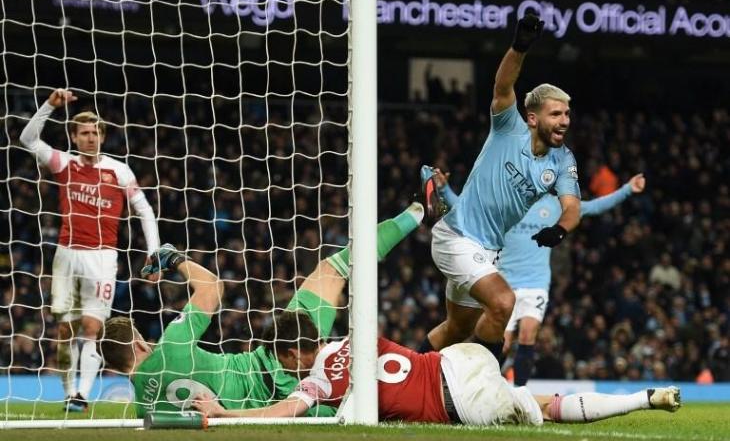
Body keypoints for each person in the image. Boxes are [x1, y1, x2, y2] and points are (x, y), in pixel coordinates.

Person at [98, 203, 424, 417]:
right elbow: (212, 287)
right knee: (333, 269)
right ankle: (417, 214)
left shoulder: (144, 410)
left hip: (278, 403)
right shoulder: (171, 343)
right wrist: (173, 259)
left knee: (359, 410)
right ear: (140, 343)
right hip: (274, 358)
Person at [191, 310, 681, 425]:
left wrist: (220, 413)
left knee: (544, 411)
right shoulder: (354, 334)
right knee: (542, 400)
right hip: (459, 358)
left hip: (459, 403)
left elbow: (281, 413)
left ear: (291, 354)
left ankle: (644, 400)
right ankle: (647, 396)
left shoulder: (317, 378)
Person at [420, 13, 581, 360]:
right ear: (534, 118)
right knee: (503, 303)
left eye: (567, 114)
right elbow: (503, 87)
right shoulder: (509, 127)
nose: (564, 121)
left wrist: (560, 230)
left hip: (488, 251)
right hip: (457, 237)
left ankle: (404, 377)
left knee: (457, 330)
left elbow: (572, 207)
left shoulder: (563, 161)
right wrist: (520, 47)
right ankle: (487, 388)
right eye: (556, 114)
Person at [422, 166, 647, 386]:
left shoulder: (556, 206)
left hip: (535, 283)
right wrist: (444, 189)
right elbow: (465, 208)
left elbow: (593, 207)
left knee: (528, 334)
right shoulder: (508, 201)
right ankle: (478, 384)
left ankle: (520, 390)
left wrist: (627, 189)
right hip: (503, 282)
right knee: (504, 342)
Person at [19, 88, 160, 411]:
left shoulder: (119, 170)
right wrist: (49, 106)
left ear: (103, 136)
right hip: (67, 254)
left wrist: (153, 252)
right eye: (84, 133)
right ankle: (68, 390)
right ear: (74, 136)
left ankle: (81, 395)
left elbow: (145, 211)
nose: (90, 138)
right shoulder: (64, 163)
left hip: (102, 256)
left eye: (95, 132)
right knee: (65, 330)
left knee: (93, 328)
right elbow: (28, 139)